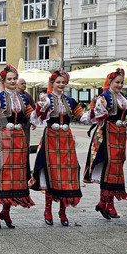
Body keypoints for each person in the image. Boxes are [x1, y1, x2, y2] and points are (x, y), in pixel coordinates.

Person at [30, 69, 85, 226]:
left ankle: (63, 211)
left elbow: (83, 117)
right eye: (58, 82)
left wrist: (97, 109)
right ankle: (48, 210)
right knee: (51, 172)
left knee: (66, 174)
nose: (61, 84)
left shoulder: (71, 101)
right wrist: (42, 107)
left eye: (63, 82)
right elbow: (37, 119)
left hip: (66, 140)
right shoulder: (45, 98)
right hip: (51, 138)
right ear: (52, 83)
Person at [0, 65, 35, 228]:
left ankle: (6, 211)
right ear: (3, 81)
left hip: (19, 139)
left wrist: (42, 108)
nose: (13, 81)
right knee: (2, 174)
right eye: (10, 79)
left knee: (16, 176)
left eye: (15, 78)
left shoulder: (24, 98)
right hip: (3, 137)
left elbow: (32, 117)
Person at [82, 68, 127, 220]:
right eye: (117, 82)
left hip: (120, 136)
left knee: (116, 167)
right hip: (106, 136)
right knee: (108, 167)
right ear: (110, 82)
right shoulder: (103, 97)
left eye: (122, 82)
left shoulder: (124, 98)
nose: (120, 85)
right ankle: (107, 203)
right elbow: (92, 118)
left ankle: (105, 203)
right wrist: (100, 106)